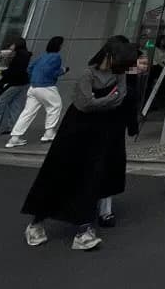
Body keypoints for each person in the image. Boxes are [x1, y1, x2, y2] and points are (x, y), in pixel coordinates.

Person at [21, 38, 137, 251]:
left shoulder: (118, 75)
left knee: (92, 177)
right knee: (61, 173)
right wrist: (106, 100)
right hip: (76, 131)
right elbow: (85, 104)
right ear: (110, 56)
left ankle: (84, 230)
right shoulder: (87, 75)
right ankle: (36, 223)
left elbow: (118, 98)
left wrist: (101, 101)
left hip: (104, 131)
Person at [94, 36, 141, 229]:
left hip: (104, 130)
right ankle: (104, 211)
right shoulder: (122, 79)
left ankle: (102, 209)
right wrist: (132, 126)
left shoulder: (107, 75)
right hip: (109, 131)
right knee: (107, 168)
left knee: (102, 168)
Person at [7, 36, 67, 148]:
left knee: (27, 112)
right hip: (47, 86)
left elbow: (29, 68)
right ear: (59, 46)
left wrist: (34, 78)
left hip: (33, 87)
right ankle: (48, 133)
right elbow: (52, 72)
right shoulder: (56, 57)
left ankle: (14, 138)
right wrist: (63, 70)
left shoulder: (42, 56)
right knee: (55, 106)